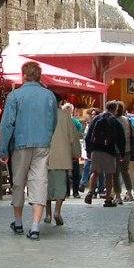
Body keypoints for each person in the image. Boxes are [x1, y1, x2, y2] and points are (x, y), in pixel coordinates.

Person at [0, 61, 58, 240]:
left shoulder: (15, 96)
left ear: (23, 75)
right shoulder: (49, 96)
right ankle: (35, 226)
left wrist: (3, 150)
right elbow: (53, 121)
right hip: (42, 144)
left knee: (18, 182)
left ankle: (18, 222)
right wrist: (46, 137)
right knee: (40, 182)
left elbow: (7, 124)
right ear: (39, 75)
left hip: (20, 144)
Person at [45, 93, 81, 226]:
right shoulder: (65, 115)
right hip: (61, 156)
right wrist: (75, 154)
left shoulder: (42, 115)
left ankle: (48, 214)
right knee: (60, 185)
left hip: (43, 155)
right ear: (60, 102)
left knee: (45, 186)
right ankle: (57, 211)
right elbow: (73, 136)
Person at [84, 102, 125, 208]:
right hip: (109, 150)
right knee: (109, 175)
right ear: (115, 109)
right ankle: (107, 199)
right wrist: (122, 153)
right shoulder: (114, 120)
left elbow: (88, 135)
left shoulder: (96, 119)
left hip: (96, 149)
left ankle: (90, 192)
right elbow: (120, 138)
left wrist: (89, 150)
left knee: (95, 172)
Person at [112, 101, 134, 204]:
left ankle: (118, 195)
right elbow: (133, 134)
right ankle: (129, 193)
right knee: (125, 172)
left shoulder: (112, 121)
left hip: (115, 151)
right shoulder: (128, 121)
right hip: (127, 150)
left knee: (115, 174)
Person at [63, 102, 83, 198]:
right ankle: (73, 192)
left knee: (71, 172)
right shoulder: (74, 122)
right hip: (69, 148)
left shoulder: (73, 122)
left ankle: (71, 192)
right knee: (72, 172)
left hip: (68, 148)